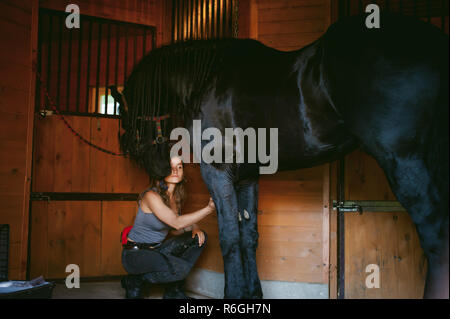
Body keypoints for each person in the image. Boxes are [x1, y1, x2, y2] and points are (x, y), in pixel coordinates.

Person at [121, 156, 216, 299]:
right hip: (136, 254)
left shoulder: (176, 198)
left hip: (157, 250)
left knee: (198, 238)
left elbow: (175, 229)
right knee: (180, 270)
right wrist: (208, 209)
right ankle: (134, 281)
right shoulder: (151, 195)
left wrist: (194, 227)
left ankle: (173, 293)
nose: (176, 171)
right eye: (171, 167)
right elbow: (176, 222)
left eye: (179, 167)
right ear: (161, 170)